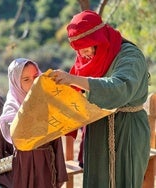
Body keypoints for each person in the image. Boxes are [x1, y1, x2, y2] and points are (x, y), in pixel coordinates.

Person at [49, 10, 150, 188]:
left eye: (86, 48)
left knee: (125, 181)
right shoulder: (91, 57)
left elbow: (119, 87)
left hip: (128, 130)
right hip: (98, 131)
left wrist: (73, 79)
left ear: (99, 39)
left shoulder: (129, 56)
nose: (84, 55)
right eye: (79, 51)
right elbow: (73, 91)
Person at [0, 58, 68, 188]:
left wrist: (60, 173)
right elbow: (11, 128)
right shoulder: (12, 106)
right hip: (25, 164)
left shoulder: (46, 101)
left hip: (47, 163)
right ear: (16, 83)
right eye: (26, 79)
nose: (33, 82)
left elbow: (56, 140)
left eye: (35, 76)